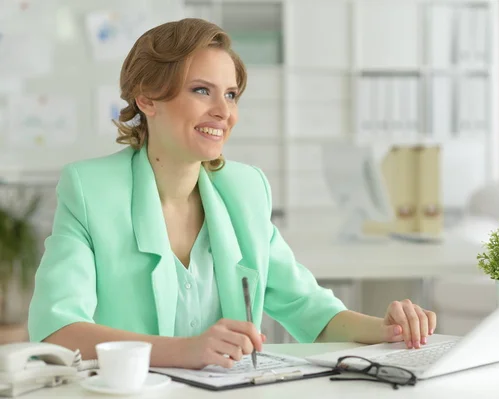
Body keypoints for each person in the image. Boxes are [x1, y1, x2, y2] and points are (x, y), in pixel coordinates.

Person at [27, 18, 436, 370]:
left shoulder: (245, 190)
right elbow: (57, 331)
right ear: (147, 98)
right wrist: (185, 351)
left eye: (231, 94)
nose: (224, 112)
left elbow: (310, 310)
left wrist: (385, 328)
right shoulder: (91, 190)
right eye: (202, 91)